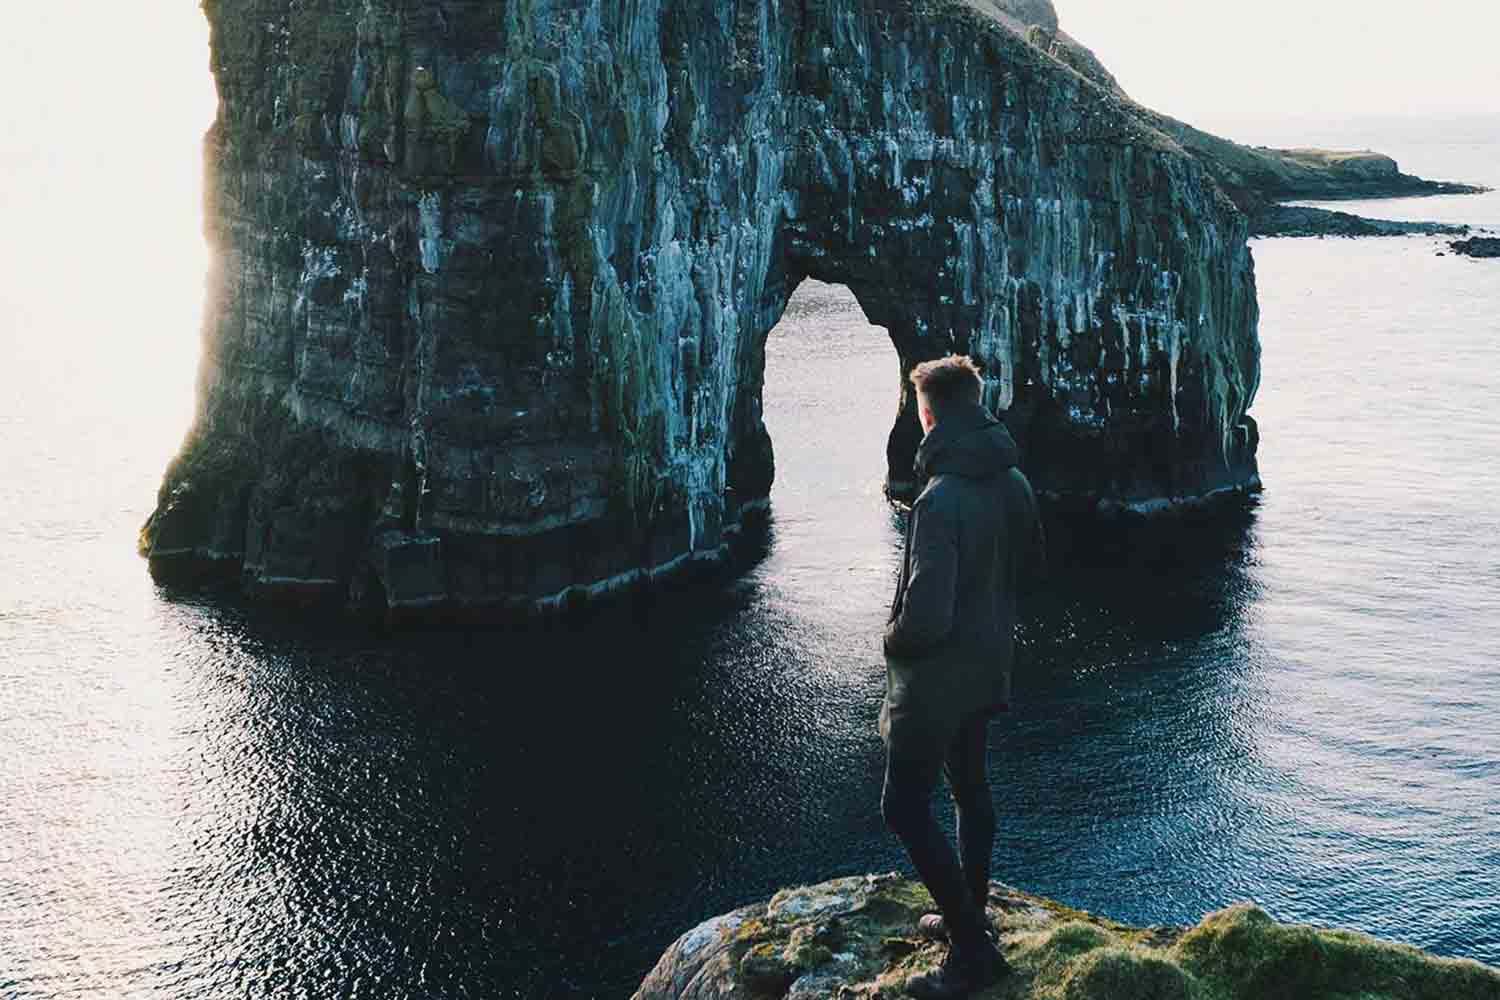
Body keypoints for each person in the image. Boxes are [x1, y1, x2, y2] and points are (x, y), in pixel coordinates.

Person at [880, 355, 1045, 999]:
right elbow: (1033, 568)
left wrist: (892, 637)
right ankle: (967, 915)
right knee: (970, 787)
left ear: (927, 414)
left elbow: (926, 614)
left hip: (937, 681)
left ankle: (972, 956)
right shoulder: (1015, 483)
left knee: (902, 807)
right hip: (987, 665)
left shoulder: (940, 497)